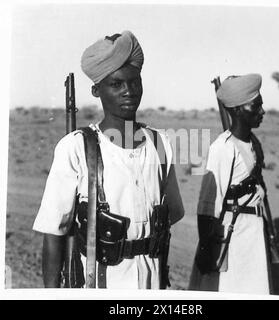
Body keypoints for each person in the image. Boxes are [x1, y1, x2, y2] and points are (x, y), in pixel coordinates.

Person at [33, 30, 184, 289]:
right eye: (116, 84)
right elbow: (53, 233)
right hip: (101, 282)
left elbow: (174, 213)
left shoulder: (160, 144)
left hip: (152, 280)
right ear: (96, 90)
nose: (129, 91)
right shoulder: (77, 147)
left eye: (135, 82)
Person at [188, 74, 271, 295]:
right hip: (232, 235)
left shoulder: (253, 143)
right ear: (236, 110)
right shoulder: (223, 148)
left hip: (252, 233)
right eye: (256, 106)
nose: (262, 111)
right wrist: (206, 251)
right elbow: (207, 206)